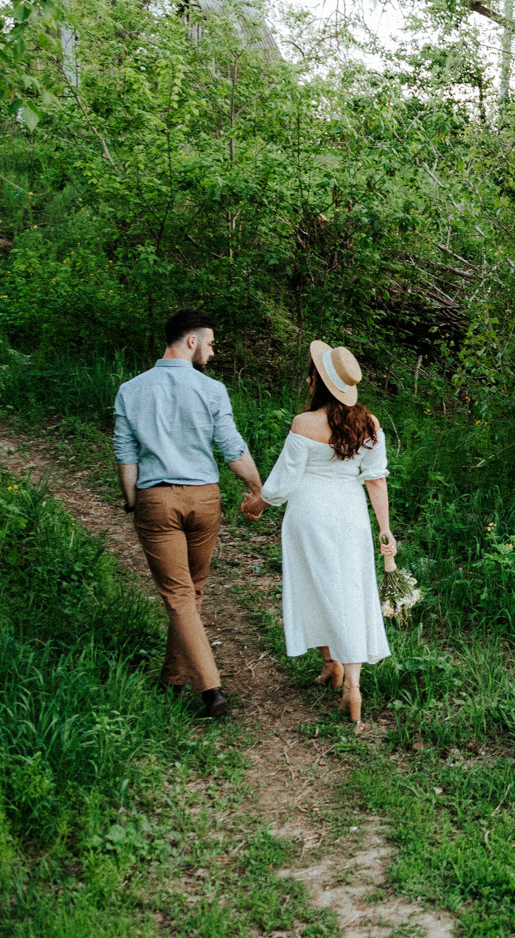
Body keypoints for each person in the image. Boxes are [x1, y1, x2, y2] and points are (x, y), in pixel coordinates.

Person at [114, 308, 267, 719]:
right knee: (191, 592)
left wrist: (132, 500)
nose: (213, 353)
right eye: (212, 344)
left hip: (156, 500)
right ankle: (173, 679)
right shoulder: (212, 390)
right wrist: (257, 489)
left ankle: (211, 691)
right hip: (205, 500)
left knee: (181, 596)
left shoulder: (131, 390)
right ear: (192, 341)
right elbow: (232, 447)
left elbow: (125, 453)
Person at [246, 340, 395, 725]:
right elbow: (375, 481)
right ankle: (344, 676)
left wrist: (257, 503)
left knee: (316, 585)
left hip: (310, 516)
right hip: (350, 516)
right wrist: (385, 531)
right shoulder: (371, 424)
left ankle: (339, 670)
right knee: (349, 591)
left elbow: (280, 485)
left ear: (318, 380)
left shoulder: (304, 424)